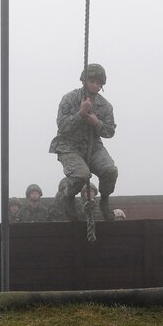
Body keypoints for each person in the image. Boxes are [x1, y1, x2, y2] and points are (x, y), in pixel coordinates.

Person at [49, 63, 118, 222]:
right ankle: (69, 197)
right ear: (84, 81)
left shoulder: (105, 106)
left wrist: (97, 123)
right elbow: (63, 126)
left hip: (93, 147)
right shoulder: (70, 98)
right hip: (69, 146)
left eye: (98, 82)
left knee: (110, 170)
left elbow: (110, 131)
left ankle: (105, 201)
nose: (94, 85)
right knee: (81, 175)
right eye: (91, 81)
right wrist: (80, 113)